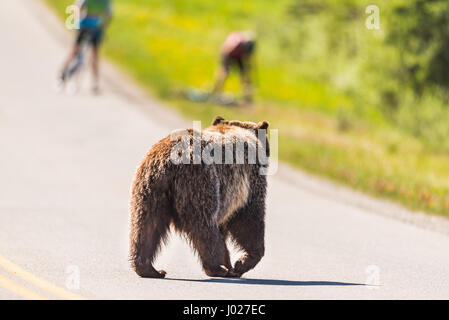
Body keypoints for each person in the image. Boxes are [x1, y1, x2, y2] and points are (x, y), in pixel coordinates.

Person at [59, 0, 112, 93]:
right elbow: (108, 15)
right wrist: (103, 27)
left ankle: (62, 72)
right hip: (95, 26)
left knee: (77, 50)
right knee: (93, 54)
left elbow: (78, 7)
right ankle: (95, 83)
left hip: (85, 25)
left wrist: (78, 21)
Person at [212, 31, 256, 104]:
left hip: (238, 55)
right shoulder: (236, 44)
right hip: (228, 53)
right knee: (224, 72)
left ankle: (247, 96)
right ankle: (216, 91)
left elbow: (248, 58)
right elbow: (226, 52)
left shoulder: (248, 44)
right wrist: (226, 67)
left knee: (244, 75)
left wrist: (248, 69)